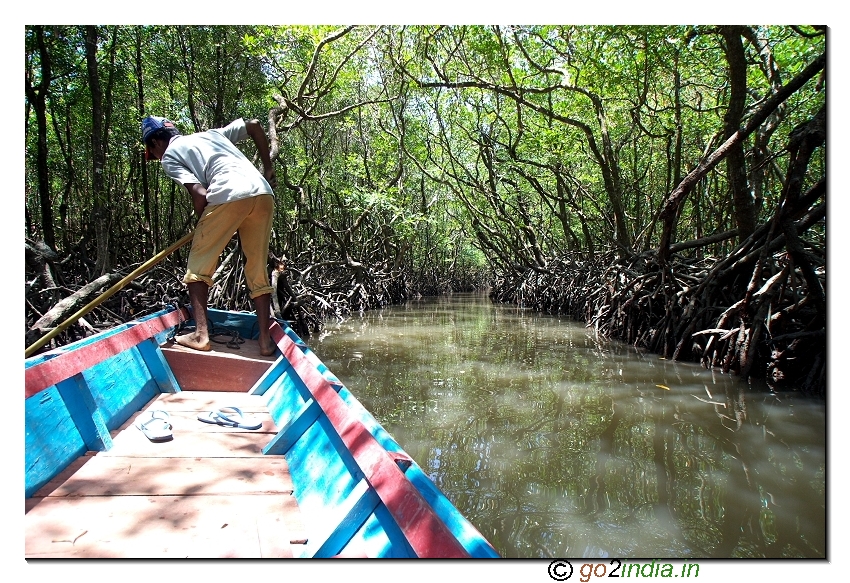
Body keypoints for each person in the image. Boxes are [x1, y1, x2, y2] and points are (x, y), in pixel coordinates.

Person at [142, 115, 278, 356]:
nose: (157, 158)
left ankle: (200, 335)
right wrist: (268, 168)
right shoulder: (212, 134)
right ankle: (265, 342)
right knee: (257, 269)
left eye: (154, 153)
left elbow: (200, 195)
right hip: (263, 194)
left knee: (197, 268)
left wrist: (207, 226)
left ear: (156, 143)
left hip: (228, 193)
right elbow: (255, 125)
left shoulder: (171, 156)